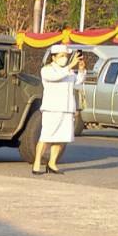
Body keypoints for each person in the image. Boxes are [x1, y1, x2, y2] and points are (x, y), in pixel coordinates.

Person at [34, 44, 85, 175]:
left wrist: (81, 69)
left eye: (66, 56)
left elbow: (78, 81)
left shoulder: (69, 71)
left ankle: (52, 163)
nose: (65, 59)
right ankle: (37, 163)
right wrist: (70, 66)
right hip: (52, 108)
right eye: (62, 56)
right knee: (46, 136)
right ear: (54, 57)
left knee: (62, 138)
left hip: (66, 108)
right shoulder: (47, 70)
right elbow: (55, 77)